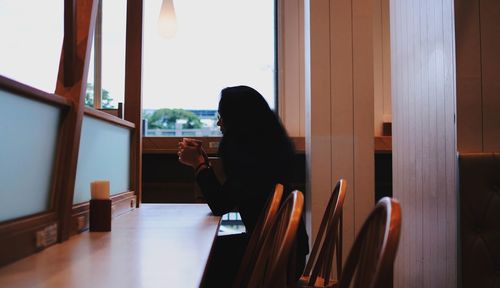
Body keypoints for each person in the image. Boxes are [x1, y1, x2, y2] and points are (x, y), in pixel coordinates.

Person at [178, 85, 309, 287]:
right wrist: (202, 163)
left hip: (273, 258)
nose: (219, 122)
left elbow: (220, 204)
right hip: (286, 252)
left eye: (222, 116)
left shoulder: (252, 161)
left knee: (201, 255)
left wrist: (199, 164)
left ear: (237, 121)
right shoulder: (267, 150)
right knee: (206, 250)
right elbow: (227, 196)